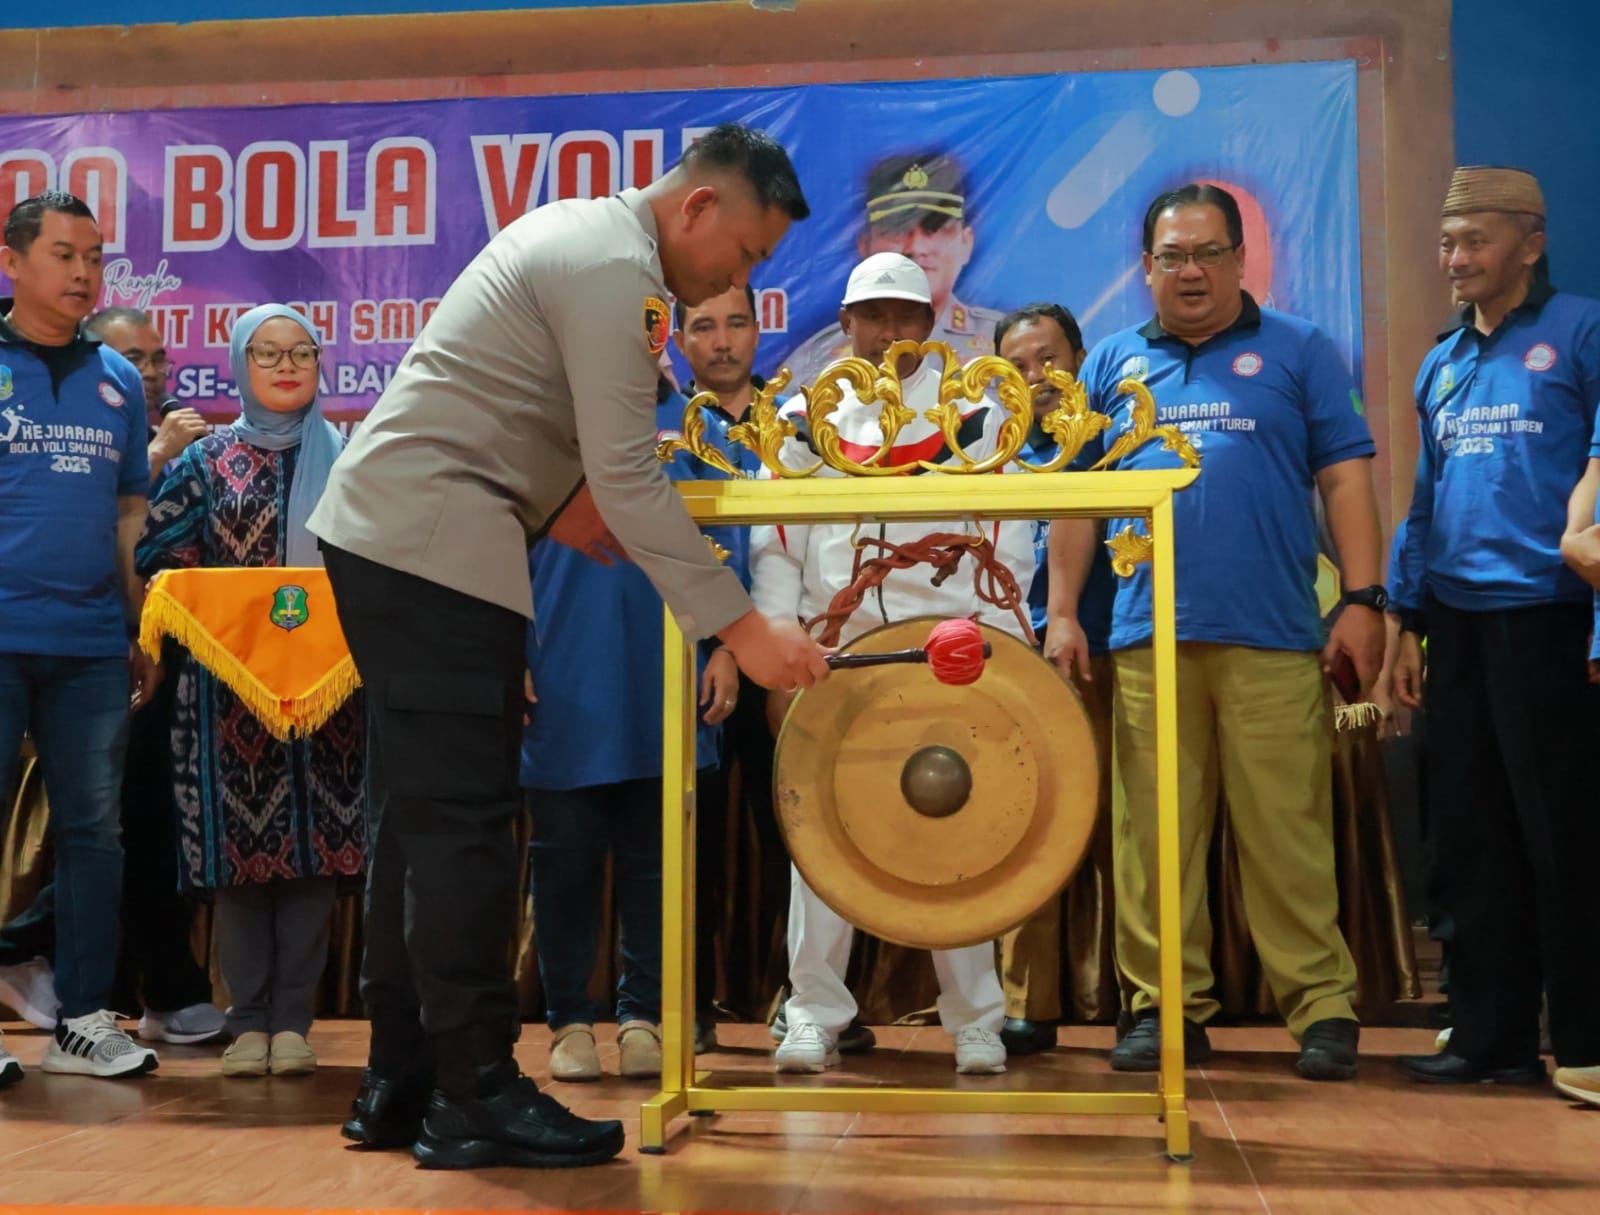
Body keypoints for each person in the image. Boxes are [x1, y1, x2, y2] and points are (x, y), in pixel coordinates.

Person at [310, 124, 828, 1170]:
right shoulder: (613, 266)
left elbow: (550, 439)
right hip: (431, 545)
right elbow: (628, 474)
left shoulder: (596, 245)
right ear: (698, 208)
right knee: (463, 832)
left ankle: (403, 1081)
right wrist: (739, 625)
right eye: (745, 253)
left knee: (423, 826)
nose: (741, 281)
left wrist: (566, 505)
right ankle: (476, 1093)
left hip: (412, 536)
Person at [1047, 183, 1384, 1081]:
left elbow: (1345, 480)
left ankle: (1321, 1005)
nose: (1190, 272)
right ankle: (1163, 1006)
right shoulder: (1111, 362)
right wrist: (1062, 610)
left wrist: (1364, 597)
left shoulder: (1302, 350)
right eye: (1172, 256)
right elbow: (1074, 500)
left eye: (1207, 253)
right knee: (1153, 836)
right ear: (1146, 266)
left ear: (1240, 259)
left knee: (1289, 829)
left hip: (1273, 632)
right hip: (1146, 637)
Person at [754, 252, 1030, 1076]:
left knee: (958, 832)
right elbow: (775, 538)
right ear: (845, 325)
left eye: (904, 315)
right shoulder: (802, 417)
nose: (888, 332)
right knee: (822, 838)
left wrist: (998, 641)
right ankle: (813, 1013)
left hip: (946, 656)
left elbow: (1009, 529)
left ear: (930, 322)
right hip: (834, 659)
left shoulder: (973, 412)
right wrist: (780, 638)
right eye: (872, 316)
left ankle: (977, 1020)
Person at [1393, 166, 1600, 1099]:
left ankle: (1588, 1042)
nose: (1456, 259)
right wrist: (1405, 617)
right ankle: (1491, 1036)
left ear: (1531, 243)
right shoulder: (1441, 361)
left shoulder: (1583, 332)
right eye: (1447, 243)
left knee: (1564, 835)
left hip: (1552, 618)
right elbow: (1425, 500)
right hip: (1458, 624)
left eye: (1475, 240)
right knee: (1469, 837)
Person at [136, 304, 365, 1078]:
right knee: (240, 861)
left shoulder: (352, 457)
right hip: (225, 695)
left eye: (301, 352)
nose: (286, 366)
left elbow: (379, 554)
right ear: (240, 364)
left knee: (311, 854)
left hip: (328, 696)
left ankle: (293, 1020)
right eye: (267, 353)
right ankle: (247, 1021)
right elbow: (159, 557)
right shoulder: (205, 461)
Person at [524, 373, 743, 1082]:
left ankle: (644, 1015)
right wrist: (506, 651)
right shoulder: (539, 420)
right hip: (561, 663)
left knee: (658, 861)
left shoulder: (695, 425)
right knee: (564, 860)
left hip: (667, 665)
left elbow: (730, 542)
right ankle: (569, 1021)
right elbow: (494, 541)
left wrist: (728, 647)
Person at [0, 191, 160, 1080]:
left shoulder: (118, 380)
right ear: (12, 261)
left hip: (93, 644)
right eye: (64, 254)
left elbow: (130, 511)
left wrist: (135, 624)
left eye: (94, 257)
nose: (84, 273)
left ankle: (85, 1017)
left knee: (96, 831)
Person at [993, 302, 1120, 1053]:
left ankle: (1144, 999)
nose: (1037, 377)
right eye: (1017, 367)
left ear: (1080, 359)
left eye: (1049, 359)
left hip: (1110, 650)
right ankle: (1025, 1003)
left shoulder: (1109, 442)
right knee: (1025, 829)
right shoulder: (989, 450)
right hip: (1017, 663)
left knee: (1123, 833)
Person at [778, 152, 1005, 391]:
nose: (916, 247)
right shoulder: (817, 356)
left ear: (966, 243)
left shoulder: (1005, 343)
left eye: (935, 228)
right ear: (864, 245)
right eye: (897, 229)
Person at [85, 307, 207, 482]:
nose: (150, 373)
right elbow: (92, 497)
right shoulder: (76, 433)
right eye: (133, 360)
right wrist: (158, 452)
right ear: (93, 363)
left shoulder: (152, 440)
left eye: (157, 360)